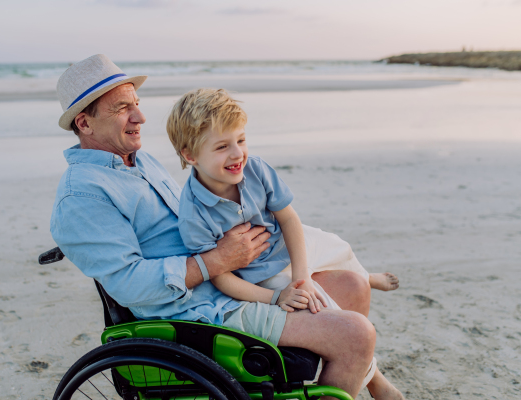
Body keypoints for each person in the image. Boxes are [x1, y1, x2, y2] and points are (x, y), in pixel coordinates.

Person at [50, 54, 404, 399]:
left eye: (136, 103)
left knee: (353, 286)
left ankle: (365, 379)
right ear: (84, 123)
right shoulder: (82, 196)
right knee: (356, 335)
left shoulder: (139, 161)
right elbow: (131, 285)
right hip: (200, 313)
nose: (140, 116)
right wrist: (217, 261)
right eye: (122, 108)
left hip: (234, 282)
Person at [168, 89, 398, 318]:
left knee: (339, 247)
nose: (238, 153)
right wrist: (278, 296)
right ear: (190, 156)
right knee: (318, 304)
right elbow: (220, 277)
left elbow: (288, 219)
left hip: (287, 242)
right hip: (263, 272)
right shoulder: (193, 214)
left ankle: (366, 276)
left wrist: (302, 275)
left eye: (241, 140)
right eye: (222, 147)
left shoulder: (256, 169)